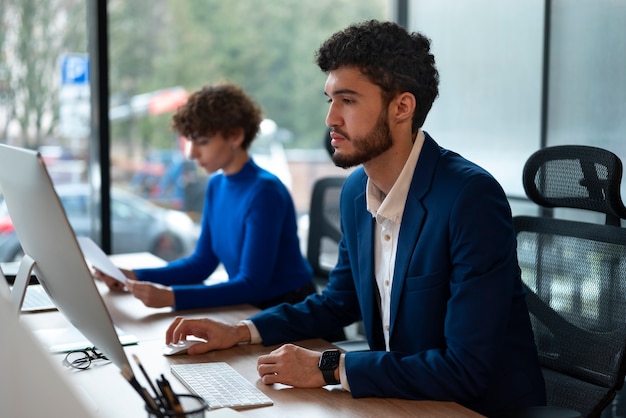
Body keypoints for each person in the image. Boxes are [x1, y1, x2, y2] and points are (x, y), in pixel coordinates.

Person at [163, 20, 546, 416]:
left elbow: (465, 368)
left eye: (348, 100)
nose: (330, 118)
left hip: (475, 408)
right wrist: (241, 332)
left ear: (402, 107)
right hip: (398, 400)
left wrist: (329, 366)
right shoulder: (354, 191)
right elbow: (337, 303)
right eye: (329, 100)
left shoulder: (469, 198)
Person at [97, 82, 316, 311]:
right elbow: (202, 264)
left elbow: (253, 284)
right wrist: (132, 276)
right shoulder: (217, 185)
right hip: (249, 306)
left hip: (289, 310)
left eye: (202, 142)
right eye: (190, 141)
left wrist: (172, 297)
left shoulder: (266, 192)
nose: (191, 153)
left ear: (235, 136)